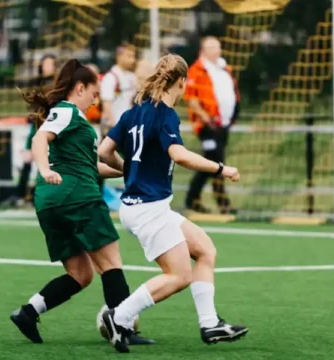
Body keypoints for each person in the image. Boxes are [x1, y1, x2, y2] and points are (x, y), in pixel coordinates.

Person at [97, 54, 248, 353]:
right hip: (148, 208)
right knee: (179, 275)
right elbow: (179, 154)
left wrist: (127, 169)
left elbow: (104, 151)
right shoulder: (165, 114)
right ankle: (120, 316)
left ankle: (210, 324)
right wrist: (221, 168)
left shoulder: (133, 113)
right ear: (180, 82)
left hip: (145, 206)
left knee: (205, 250)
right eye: (184, 85)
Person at [9, 58, 154, 346]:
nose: (96, 97)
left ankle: (28, 312)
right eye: (93, 91)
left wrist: (131, 171)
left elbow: (91, 166)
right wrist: (45, 169)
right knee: (111, 262)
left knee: (81, 274)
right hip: (77, 197)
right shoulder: (66, 111)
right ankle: (122, 327)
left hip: (51, 202)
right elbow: (40, 141)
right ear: (79, 88)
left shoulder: (70, 118)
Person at [184, 36, 240, 215]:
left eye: (217, 47)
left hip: (222, 125)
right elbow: (191, 99)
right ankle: (199, 200)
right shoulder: (196, 71)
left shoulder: (224, 69)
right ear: (202, 51)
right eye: (211, 48)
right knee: (212, 161)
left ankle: (212, 201)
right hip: (207, 126)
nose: (216, 51)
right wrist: (206, 118)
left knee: (217, 161)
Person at [17, 55, 58, 204]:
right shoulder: (36, 84)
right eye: (45, 64)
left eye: (50, 64)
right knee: (28, 158)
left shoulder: (58, 85)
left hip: (51, 126)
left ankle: (39, 193)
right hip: (37, 126)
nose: (48, 67)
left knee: (47, 161)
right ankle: (21, 194)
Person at [100, 43, 137, 132]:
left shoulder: (132, 76)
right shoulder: (111, 77)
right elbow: (106, 104)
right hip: (116, 125)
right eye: (129, 56)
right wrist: (114, 125)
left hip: (130, 126)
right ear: (119, 56)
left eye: (133, 56)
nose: (132, 60)